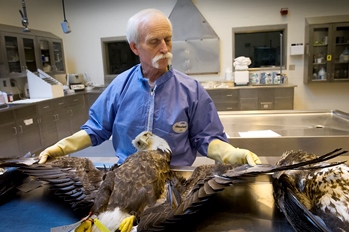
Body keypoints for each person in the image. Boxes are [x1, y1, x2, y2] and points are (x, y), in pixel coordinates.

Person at [39, 8, 261, 167]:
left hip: (176, 177)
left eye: (168, 39)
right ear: (135, 47)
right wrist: (61, 148)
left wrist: (232, 153)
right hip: (129, 177)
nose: (164, 48)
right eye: (155, 41)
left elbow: (206, 138)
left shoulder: (190, 90)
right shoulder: (120, 86)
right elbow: (96, 129)